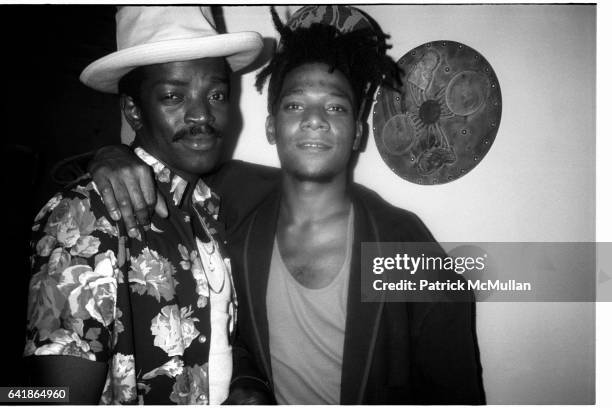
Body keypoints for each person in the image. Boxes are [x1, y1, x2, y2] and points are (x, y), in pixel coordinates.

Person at [88, 6, 485, 404]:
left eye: (336, 107)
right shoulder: (226, 200)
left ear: (358, 133)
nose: (315, 119)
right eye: (295, 105)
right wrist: (111, 155)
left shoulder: (405, 245)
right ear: (271, 127)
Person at [23, 6, 271, 404]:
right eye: (173, 95)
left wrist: (245, 381)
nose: (202, 113)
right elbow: (45, 397)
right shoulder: (89, 214)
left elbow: (216, 334)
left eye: (217, 94)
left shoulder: (209, 209)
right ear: (134, 110)